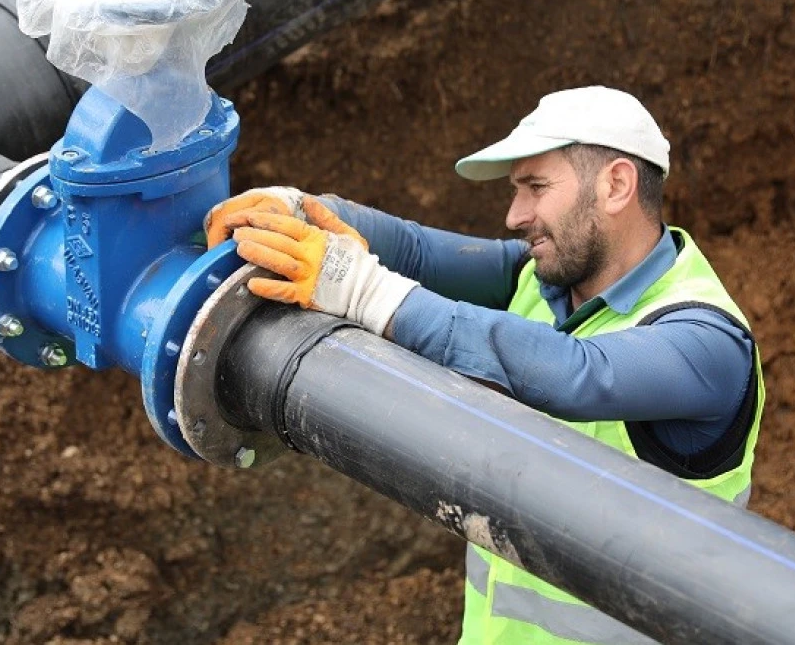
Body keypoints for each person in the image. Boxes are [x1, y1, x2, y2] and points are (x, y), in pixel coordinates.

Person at [203, 85, 764, 645]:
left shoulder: (705, 340)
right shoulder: (543, 281)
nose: (515, 214)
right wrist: (299, 209)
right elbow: (417, 250)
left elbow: (579, 373)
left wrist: (362, 290)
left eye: (536, 187)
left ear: (616, 185)